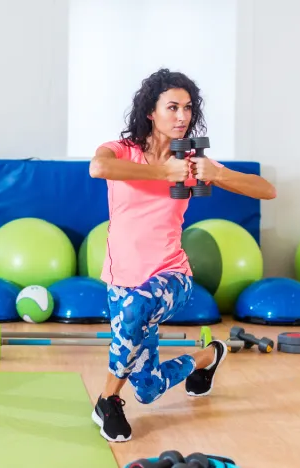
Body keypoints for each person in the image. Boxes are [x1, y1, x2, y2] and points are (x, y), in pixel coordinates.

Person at [88, 68, 276, 442]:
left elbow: (266, 190)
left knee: (138, 308)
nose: (182, 116)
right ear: (150, 113)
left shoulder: (191, 163)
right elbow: (99, 167)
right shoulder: (121, 151)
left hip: (172, 275)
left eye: (188, 108)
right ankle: (209, 357)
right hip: (122, 280)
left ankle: (107, 400)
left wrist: (218, 172)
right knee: (147, 388)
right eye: (172, 107)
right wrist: (162, 171)